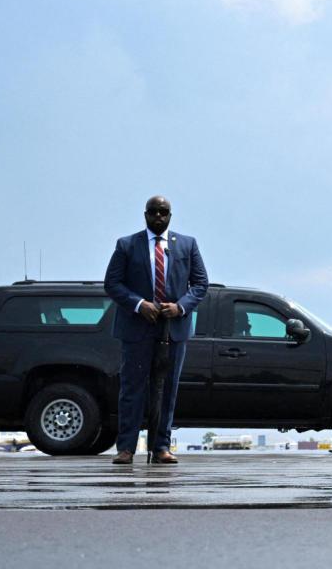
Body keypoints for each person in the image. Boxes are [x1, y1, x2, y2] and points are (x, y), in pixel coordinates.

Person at [104, 196, 209, 465]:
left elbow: (200, 284)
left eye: (164, 212)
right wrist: (139, 305)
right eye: (154, 212)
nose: (159, 216)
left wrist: (181, 307)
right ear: (145, 215)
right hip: (137, 328)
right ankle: (126, 448)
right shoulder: (127, 244)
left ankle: (161, 447)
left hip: (173, 329)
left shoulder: (187, 244)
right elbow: (112, 283)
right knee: (132, 389)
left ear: (171, 215)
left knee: (167, 389)